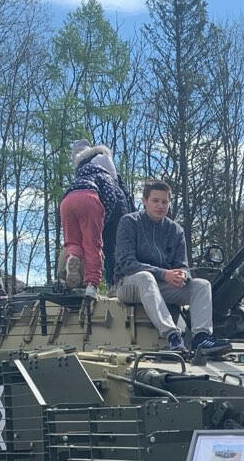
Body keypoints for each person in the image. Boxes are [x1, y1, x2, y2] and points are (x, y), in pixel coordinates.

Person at [114, 179, 229, 356]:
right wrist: (163, 274)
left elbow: (182, 265)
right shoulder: (130, 223)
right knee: (146, 277)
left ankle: (201, 337)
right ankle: (172, 335)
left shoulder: (175, 230)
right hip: (128, 284)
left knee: (201, 285)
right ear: (144, 201)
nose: (160, 206)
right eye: (155, 200)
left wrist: (182, 276)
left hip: (160, 286)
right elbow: (127, 263)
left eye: (164, 201)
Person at [59, 141, 133, 297]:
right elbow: (111, 194)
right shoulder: (103, 169)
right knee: (94, 246)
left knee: (73, 243)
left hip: (67, 201)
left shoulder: (81, 172)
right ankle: (93, 286)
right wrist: (102, 218)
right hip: (100, 202)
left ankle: (72, 259)